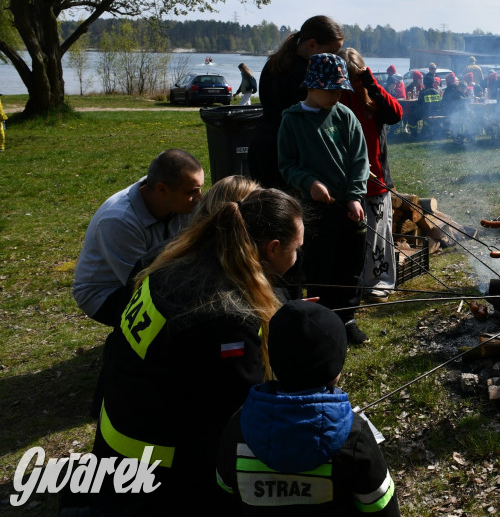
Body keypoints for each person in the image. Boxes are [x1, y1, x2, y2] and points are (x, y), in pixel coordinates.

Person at [90, 188, 304, 515]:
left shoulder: (175, 259)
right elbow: (239, 417)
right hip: (159, 474)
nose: (298, 256)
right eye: (297, 248)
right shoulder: (225, 318)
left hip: (119, 434)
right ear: (273, 249)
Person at [217, 300, 400, 515]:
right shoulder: (353, 435)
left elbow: (224, 493)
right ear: (336, 368)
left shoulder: (240, 424)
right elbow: (381, 507)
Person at [279, 53, 370, 344]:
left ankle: (348, 317)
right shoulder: (292, 121)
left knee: (351, 264)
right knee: (321, 265)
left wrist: (356, 196)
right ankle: (322, 318)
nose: (336, 95)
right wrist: (310, 182)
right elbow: (287, 164)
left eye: (340, 90)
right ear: (313, 87)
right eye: (331, 89)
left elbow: (360, 159)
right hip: (316, 209)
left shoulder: (345, 116)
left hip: (350, 206)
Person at [73, 149, 204, 326]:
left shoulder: (180, 202)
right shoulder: (118, 221)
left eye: (200, 189)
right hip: (110, 293)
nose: (199, 198)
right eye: (192, 192)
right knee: (180, 313)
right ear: (162, 189)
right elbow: (141, 285)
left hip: (161, 274)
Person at [249, 16, 345, 189]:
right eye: (330, 53)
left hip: (261, 145)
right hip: (288, 155)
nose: (333, 59)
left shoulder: (274, 63)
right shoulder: (307, 77)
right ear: (311, 45)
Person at [341, 48, 403, 303]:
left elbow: (396, 114)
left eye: (357, 77)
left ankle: (378, 284)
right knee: (354, 239)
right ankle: (354, 284)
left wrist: (370, 82)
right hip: (347, 181)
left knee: (379, 235)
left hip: (376, 179)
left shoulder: (372, 99)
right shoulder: (338, 100)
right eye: (350, 77)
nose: (354, 83)